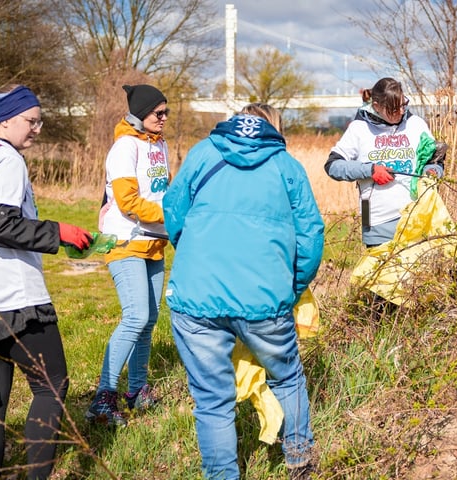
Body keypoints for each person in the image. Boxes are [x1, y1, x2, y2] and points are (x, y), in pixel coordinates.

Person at [163, 103, 324, 480]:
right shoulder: (287, 166)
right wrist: (292, 287)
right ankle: (299, 457)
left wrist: (191, 255)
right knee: (287, 377)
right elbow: (312, 236)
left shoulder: (204, 153)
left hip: (195, 297)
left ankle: (222, 476)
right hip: (265, 298)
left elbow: (173, 209)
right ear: (274, 128)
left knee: (211, 399)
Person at [0, 84, 93, 480]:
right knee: (52, 387)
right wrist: (58, 231)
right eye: (31, 121)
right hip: (12, 298)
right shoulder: (6, 159)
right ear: (6, 120)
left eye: (39, 121)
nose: (37, 129)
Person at [85, 84, 171, 427]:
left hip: (154, 243)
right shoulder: (124, 147)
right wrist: (174, 215)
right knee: (135, 317)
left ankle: (137, 391)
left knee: (149, 321)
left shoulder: (160, 144)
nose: (164, 119)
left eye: (167, 113)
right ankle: (103, 397)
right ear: (140, 114)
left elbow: (162, 190)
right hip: (125, 241)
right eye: (158, 113)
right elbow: (128, 202)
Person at [325, 77, 446, 248]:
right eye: (393, 109)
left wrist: (432, 172)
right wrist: (370, 170)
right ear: (377, 107)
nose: (401, 112)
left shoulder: (417, 124)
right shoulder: (359, 129)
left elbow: (435, 160)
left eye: (403, 105)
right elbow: (333, 166)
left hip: (418, 217)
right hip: (377, 223)